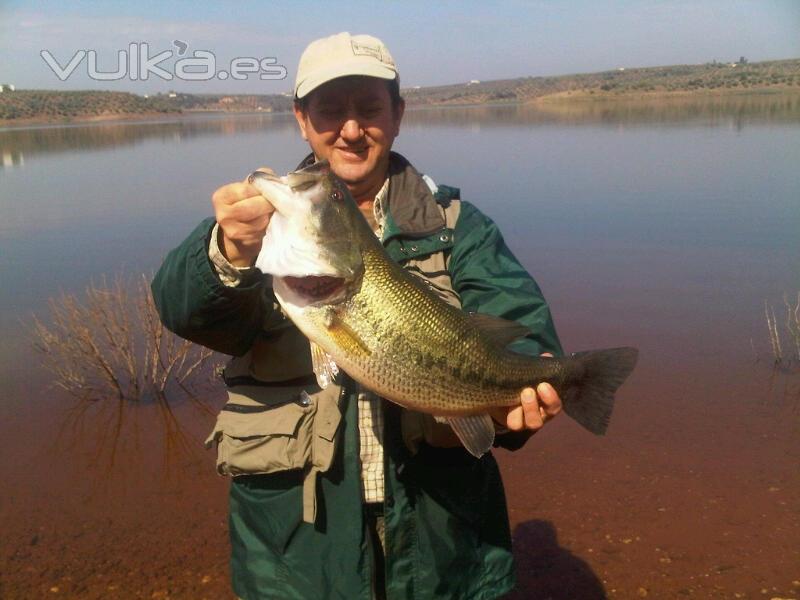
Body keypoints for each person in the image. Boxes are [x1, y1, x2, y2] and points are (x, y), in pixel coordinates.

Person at [152, 32, 564, 600]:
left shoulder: (460, 226)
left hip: (441, 545)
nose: (350, 129)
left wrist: (536, 376)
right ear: (301, 119)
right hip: (298, 555)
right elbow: (183, 310)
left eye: (369, 108)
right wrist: (224, 252)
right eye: (330, 110)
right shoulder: (263, 232)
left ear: (397, 115)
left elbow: (518, 319)